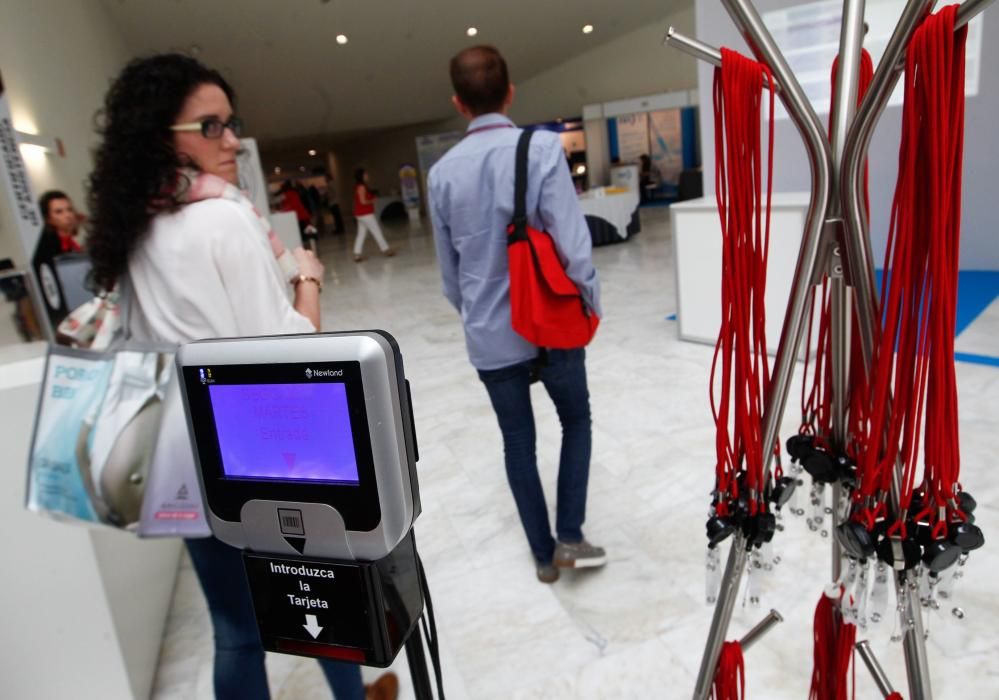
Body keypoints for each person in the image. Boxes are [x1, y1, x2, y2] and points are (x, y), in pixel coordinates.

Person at [85, 53, 397, 700]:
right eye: (210, 127)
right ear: (159, 136)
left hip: (176, 459)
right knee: (316, 592)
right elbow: (292, 359)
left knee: (234, 628)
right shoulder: (223, 218)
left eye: (231, 124)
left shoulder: (131, 227)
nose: (231, 142)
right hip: (262, 452)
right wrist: (308, 278)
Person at [428, 45, 606, 584]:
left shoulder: (440, 175)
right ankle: (570, 536)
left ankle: (541, 553)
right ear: (509, 92)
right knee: (576, 420)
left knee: (517, 442)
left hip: (489, 332)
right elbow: (573, 244)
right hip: (550, 320)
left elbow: (449, 278)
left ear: (459, 104)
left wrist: (481, 315)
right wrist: (589, 298)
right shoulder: (543, 150)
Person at [31, 190, 86, 326]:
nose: (67, 215)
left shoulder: (68, 242)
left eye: (69, 210)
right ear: (48, 218)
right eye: (59, 212)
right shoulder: (46, 247)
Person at [351, 168, 395, 262]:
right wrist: (372, 200)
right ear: (362, 176)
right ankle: (386, 250)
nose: (367, 176)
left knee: (361, 234)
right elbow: (363, 201)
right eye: (366, 174)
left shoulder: (359, 186)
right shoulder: (361, 187)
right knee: (376, 231)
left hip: (360, 214)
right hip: (365, 214)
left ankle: (357, 254)